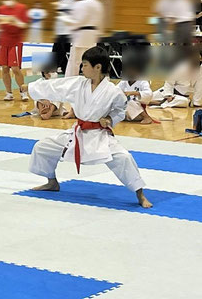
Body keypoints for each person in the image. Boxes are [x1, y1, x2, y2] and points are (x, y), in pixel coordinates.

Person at [21, 46, 153, 208]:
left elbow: (120, 111)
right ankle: (52, 182)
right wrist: (32, 88)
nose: (81, 68)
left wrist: (110, 119)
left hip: (99, 135)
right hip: (77, 133)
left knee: (124, 158)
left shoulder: (113, 92)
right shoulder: (78, 84)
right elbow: (57, 86)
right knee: (42, 147)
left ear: (97, 67)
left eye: (84, 64)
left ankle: (140, 194)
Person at [60, 0, 104, 78]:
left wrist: (64, 18)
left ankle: (69, 82)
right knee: (91, 61)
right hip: (92, 37)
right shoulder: (98, 5)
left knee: (74, 63)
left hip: (81, 36)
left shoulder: (81, 4)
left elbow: (76, 22)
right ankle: (92, 80)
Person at [0, 0, 29, 102]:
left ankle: (23, 92)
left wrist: (15, 21)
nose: (6, 1)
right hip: (4, 41)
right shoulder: (1, 9)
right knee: (4, 68)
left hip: (15, 41)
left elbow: (24, 25)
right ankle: (8, 93)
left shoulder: (21, 8)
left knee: (15, 68)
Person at [52, 0, 75, 74]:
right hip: (62, 29)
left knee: (61, 49)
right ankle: (62, 66)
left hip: (66, 29)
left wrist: (58, 5)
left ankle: (58, 66)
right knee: (61, 48)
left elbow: (66, 9)